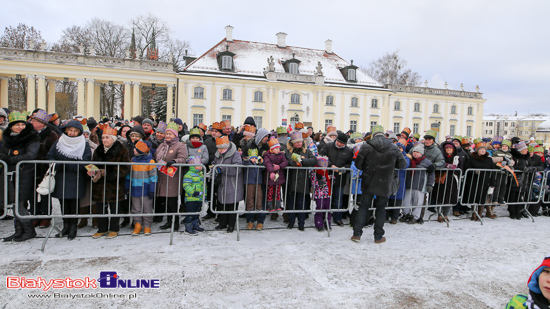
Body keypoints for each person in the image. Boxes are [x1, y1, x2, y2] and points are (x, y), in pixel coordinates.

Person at [352, 125, 407, 243]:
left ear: (373, 134)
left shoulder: (366, 146)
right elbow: (402, 165)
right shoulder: (393, 147)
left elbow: (358, 165)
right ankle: (378, 236)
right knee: (381, 209)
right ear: (384, 134)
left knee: (363, 207)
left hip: (369, 181)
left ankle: (357, 234)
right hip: (385, 182)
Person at [45, 120, 92, 240]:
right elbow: (50, 156)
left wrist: (67, 165)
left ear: (79, 132)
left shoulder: (84, 144)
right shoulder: (59, 142)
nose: (72, 133)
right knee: (63, 203)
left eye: (75, 131)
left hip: (76, 178)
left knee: (74, 204)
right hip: (61, 178)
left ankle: (73, 227)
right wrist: (60, 165)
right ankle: (65, 226)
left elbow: (86, 161)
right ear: (66, 130)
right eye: (70, 130)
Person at [1, 112, 40, 242]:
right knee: (13, 203)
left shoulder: (31, 137)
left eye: (22, 124)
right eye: (17, 124)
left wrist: (10, 160)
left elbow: (30, 155)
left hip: (25, 173)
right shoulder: (7, 138)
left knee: (20, 204)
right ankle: (18, 231)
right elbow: (3, 153)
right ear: (11, 126)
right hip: (10, 174)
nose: (20, 127)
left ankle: (29, 231)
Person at [89, 127, 130, 239]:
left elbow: (125, 168)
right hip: (100, 184)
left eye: (107, 137)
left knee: (114, 207)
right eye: (102, 137)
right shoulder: (98, 150)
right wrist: (92, 171)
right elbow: (93, 163)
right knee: (100, 207)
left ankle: (114, 229)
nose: (104, 140)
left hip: (114, 184)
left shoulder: (122, 150)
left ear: (113, 139)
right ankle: (102, 229)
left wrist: (108, 173)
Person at [155, 122, 188, 230]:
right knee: (166, 201)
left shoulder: (180, 145)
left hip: (173, 177)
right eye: (167, 134)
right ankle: (169, 221)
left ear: (175, 135)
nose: (168, 136)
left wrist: (174, 161)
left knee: (172, 202)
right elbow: (156, 156)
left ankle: (175, 222)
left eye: (171, 134)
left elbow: (183, 159)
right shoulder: (162, 145)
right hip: (162, 176)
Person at [30, 110, 59, 228]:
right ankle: (34, 215)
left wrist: (48, 164)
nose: (31, 122)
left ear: (42, 123)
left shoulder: (51, 135)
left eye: (34, 120)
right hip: (31, 168)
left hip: (44, 169)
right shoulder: (29, 134)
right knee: (32, 194)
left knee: (45, 193)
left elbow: (54, 151)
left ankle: (46, 217)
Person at [284, 131, 318, 231]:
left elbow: (313, 160)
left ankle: (301, 223)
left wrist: (302, 161)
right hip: (291, 181)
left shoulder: (307, 151)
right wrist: (295, 161)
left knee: (301, 204)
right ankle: (291, 221)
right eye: (297, 142)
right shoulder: (288, 151)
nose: (299, 144)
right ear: (292, 143)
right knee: (291, 203)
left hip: (303, 182)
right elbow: (287, 161)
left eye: (300, 142)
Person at [319, 131, 353, 227]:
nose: (339, 143)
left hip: (340, 177)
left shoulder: (348, 151)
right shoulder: (328, 146)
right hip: (326, 176)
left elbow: (350, 163)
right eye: (338, 141)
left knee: (338, 198)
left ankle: (337, 218)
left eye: (341, 143)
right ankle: (324, 216)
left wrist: (343, 168)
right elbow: (321, 156)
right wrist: (330, 165)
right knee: (326, 197)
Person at [212, 136, 244, 233]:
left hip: (233, 184)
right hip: (222, 183)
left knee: (232, 206)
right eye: (219, 148)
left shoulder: (235, 154)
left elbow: (237, 168)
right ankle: (222, 223)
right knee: (222, 205)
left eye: (222, 148)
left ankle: (231, 224)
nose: (220, 150)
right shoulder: (218, 154)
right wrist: (214, 167)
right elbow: (215, 162)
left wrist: (222, 168)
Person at [126, 141, 157, 236]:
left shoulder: (150, 161)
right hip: (135, 188)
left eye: (136, 149)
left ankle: (147, 225)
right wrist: (127, 185)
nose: (134, 150)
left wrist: (152, 188)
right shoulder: (133, 160)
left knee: (147, 207)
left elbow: (154, 176)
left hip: (145, 188)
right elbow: (129, 174)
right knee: (136, 208)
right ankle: (137, 224)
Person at [401, 144, 435, 224]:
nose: (415, 153)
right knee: (406, 201)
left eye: (417, 152)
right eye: (414, 152)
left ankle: (415, 217)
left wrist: (430, 184)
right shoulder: (409, 160)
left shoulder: (427, 162)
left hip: (420, 185)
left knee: (418, 202)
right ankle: (406, 214)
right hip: (409, 184)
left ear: (421, 153)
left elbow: (431, 174)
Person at [463, 139, 496, 221]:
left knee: (482, 198)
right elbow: (467, 168)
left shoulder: (489, 159)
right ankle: (474, 213)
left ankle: (480, 214)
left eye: (484, 149)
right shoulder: (472, 158)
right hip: (474, 181)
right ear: (477, 150)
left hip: (484, 181)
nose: (482, 151)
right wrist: (474, 172)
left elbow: (493, 171)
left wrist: (492, 183)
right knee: (474, 197)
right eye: (481, 149)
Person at [263, 138, 288, 217]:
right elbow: (268, 163)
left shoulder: (281, 155)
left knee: (277, 191)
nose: (278, 150)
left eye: (279, 148)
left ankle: (278, 205)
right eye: (276, 148)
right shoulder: (267, 155)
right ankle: (270, 206)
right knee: (270, 192)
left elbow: (285, 162)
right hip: (270, 177)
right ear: (272, 149)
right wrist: (271, 172)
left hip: (278, 176)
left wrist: (279, 166)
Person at [182, 156, 206, 235]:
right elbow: (186, 185)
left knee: (196, 213)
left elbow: (203, 186)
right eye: (199, 165)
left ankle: (195, 225)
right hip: (191, 198)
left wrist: (204, 195)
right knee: (190, 214)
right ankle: (188, 228)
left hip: (198, 198)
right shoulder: (188, 175)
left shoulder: (201, 175)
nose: (201, 167)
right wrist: (192, 192)